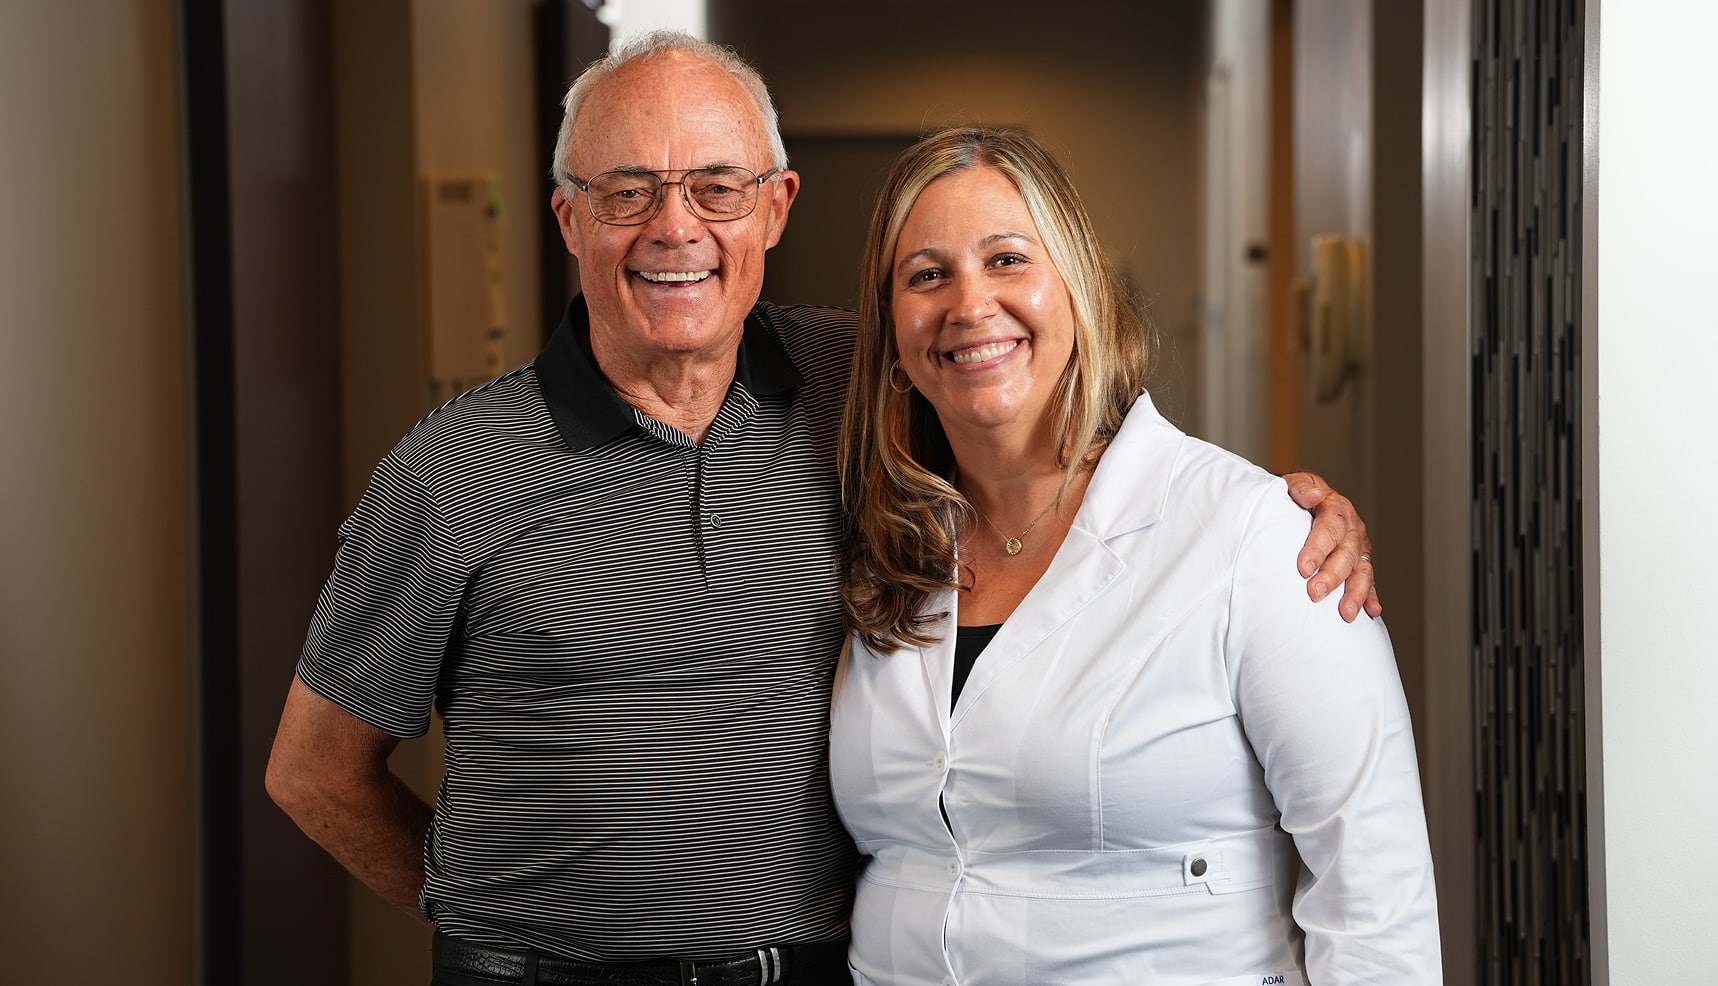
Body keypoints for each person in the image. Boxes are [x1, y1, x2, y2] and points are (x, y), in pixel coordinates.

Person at [266, 32, 1382, 986]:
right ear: (568, 218)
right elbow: (313, 770)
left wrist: (1278, 511)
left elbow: (1050, 422)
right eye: (626, 191)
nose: (675, 228)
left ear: (774, 207)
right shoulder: (451, 470)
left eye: (716, 185)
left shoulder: (864, 387)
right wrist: (497, 924)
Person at [831, 127, 1438, 985]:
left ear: (1076, 285)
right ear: (891, 328)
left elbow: (1375, 896)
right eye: (926, 275)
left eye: (1008, 259)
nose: (968, 304)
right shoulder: (888, 548)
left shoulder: (1254, 540)